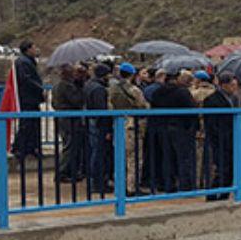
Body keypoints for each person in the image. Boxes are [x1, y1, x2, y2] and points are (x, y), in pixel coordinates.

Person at [150, 71, 198, 192]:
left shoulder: (157, 92)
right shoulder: (182, 92)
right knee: (184, 158)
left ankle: (168, 185)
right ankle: (186, 186)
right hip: (180, 128)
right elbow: (192, 111)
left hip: (162, 128)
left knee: (167, 157)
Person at [110, 63, 149, 195]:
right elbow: (143, 106)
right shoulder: (134, 90)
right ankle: (132, 187)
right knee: (134, 158)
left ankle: (119, 185)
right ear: (132, 75)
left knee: (119, 157)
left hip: (117, 124)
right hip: (132, 125)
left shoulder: (112, 89)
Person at [201, 71, 239, 201]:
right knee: (221, 168)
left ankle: (225, 194)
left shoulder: (234, 99)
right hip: (219, 138)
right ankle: (212, 194)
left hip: (232, 137)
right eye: (232, 85)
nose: (235, 88)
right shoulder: (211, 100)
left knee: (230, 168)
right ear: (224, 85)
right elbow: (211, 123)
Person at [51, 64, 86, 183]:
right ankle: (62, 172)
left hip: (62, 118)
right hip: (70, 119)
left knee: (68, 143)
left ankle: (70, 171)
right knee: (70, 145)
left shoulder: (57, 85)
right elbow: (78, 101)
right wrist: (80, 86)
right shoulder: (67, 86)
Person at [83, 64, 112, 195]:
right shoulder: (99, 89)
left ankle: (94, 181)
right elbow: (102, 110)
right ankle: (98, 183)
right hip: (99, 124)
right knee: (99, 153)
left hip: (90, 121)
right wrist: (107, 130)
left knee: (93, 151)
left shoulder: (88, 85)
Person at [12, 40, 45, 158]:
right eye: (34, 47)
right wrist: (39, 88)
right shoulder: (23, 62)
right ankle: (20, 148)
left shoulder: (27, 61)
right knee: (27, 123)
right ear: (28, 49)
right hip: (27, 98)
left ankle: (30, 147)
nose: (36, 49)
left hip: (30, 98)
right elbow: (26, 79)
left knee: (32, 123)